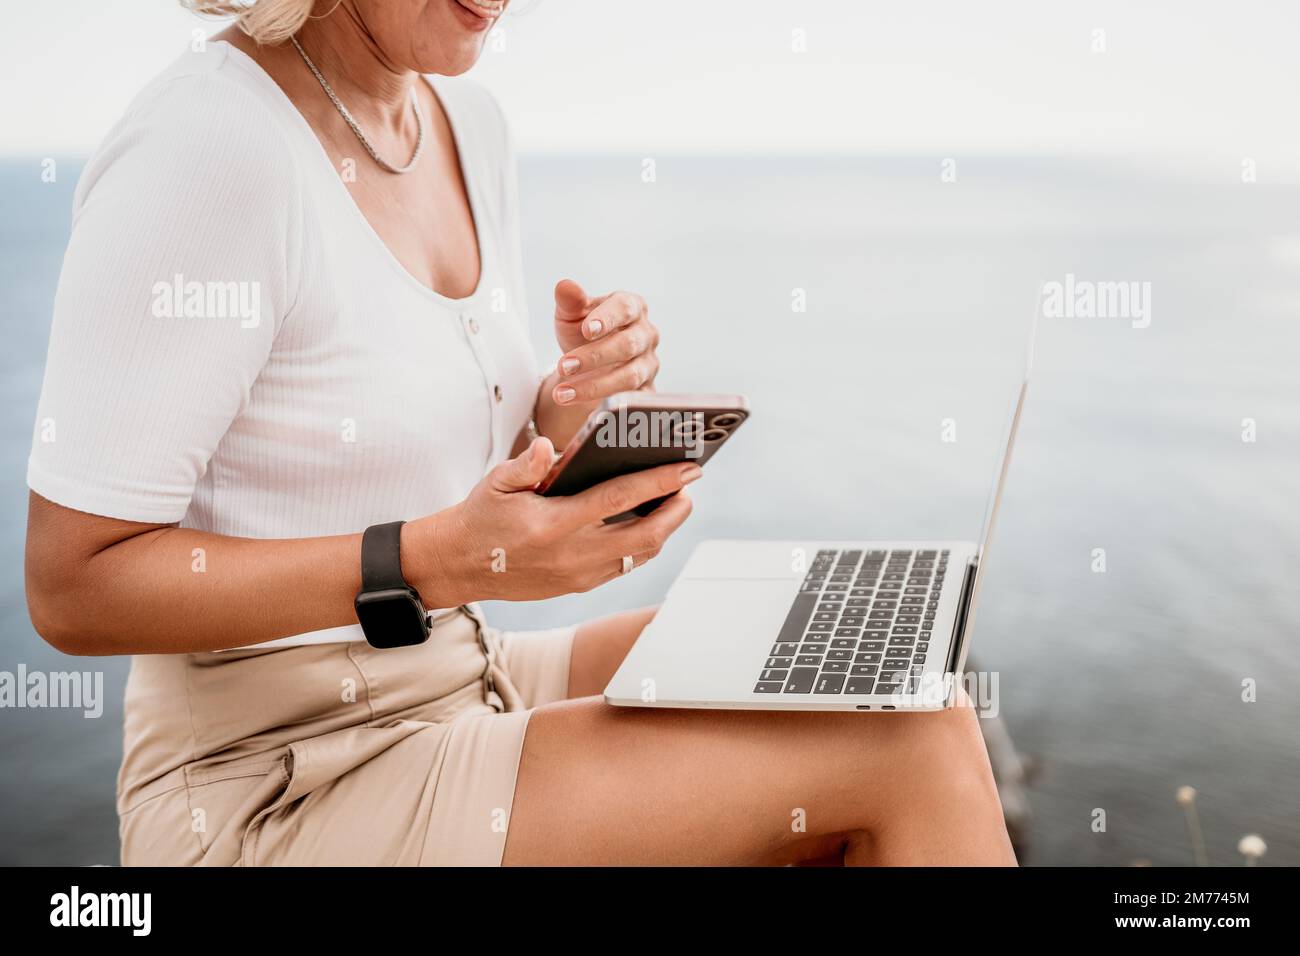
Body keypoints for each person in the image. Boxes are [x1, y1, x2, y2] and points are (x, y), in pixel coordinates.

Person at [23, 0, 1015, 866]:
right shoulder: (208, 145)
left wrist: (560, 422)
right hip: (274, 776)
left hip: (461, 668)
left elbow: (405, 476)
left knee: (883, 669)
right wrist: (430, 563)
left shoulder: (466, 121)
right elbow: (73, 584)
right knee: (901, 744)